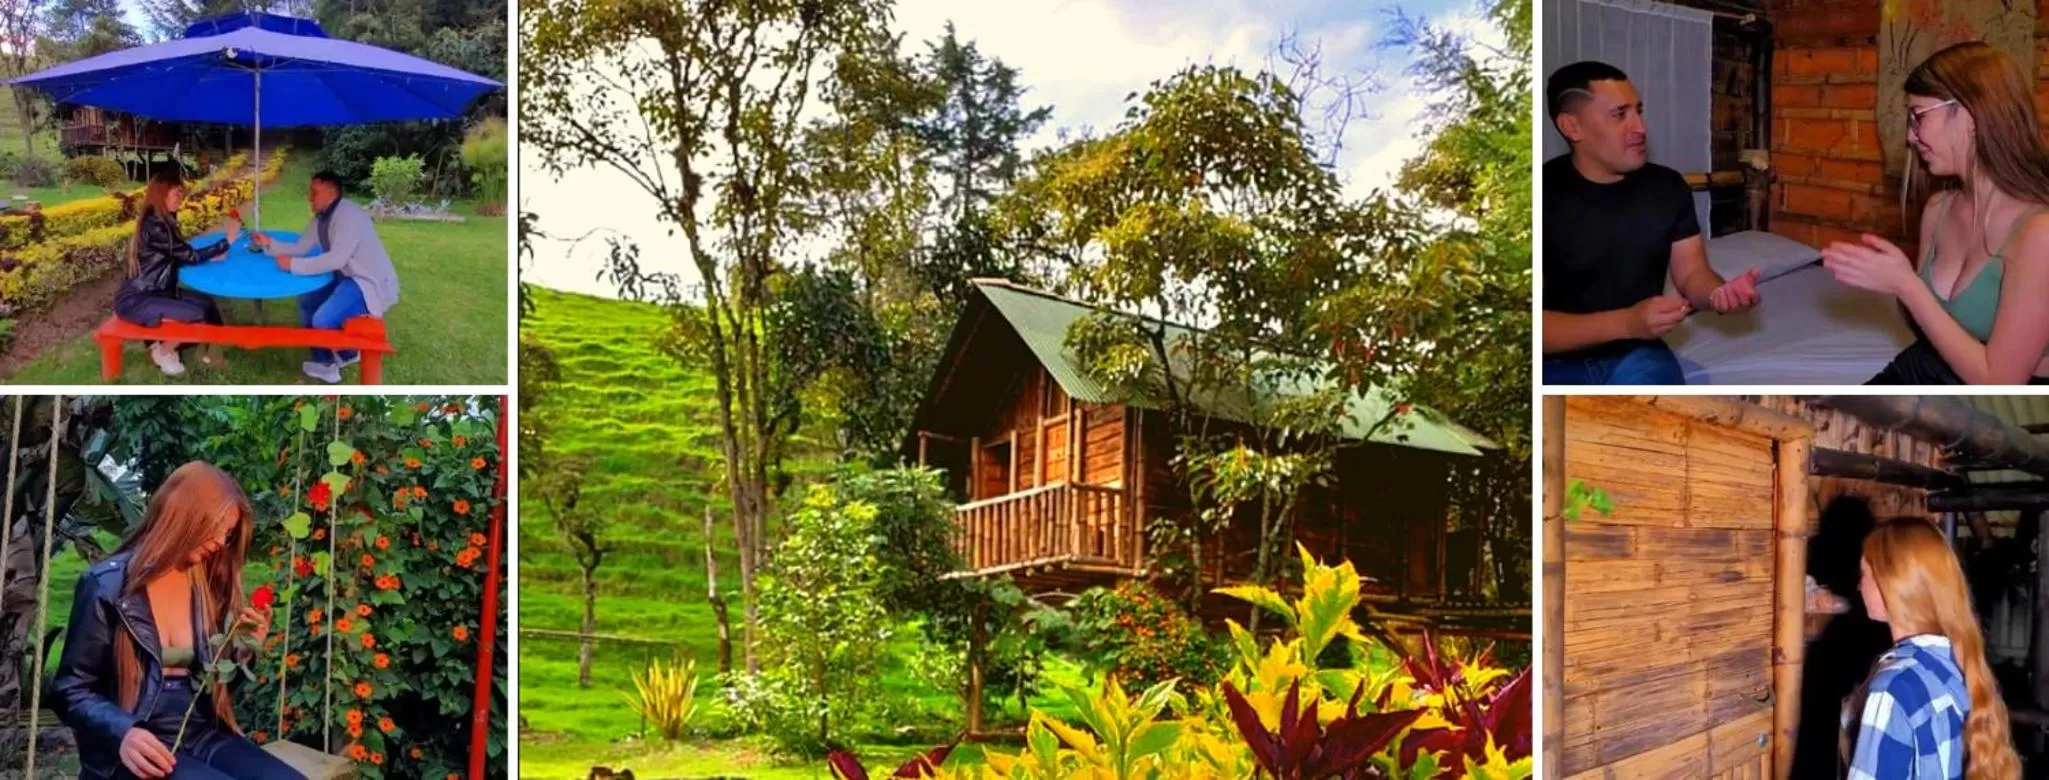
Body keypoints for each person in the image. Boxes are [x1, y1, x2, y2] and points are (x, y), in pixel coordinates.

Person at [51, 462, 304, 780]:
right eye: (213, 529)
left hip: (200, 736)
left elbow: (211, 686)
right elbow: (70, 689)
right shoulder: (108, 586)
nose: (218, 543)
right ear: (182, 519)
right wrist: (123, 733)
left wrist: (241, 650)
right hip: (134, 749)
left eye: (226, 535)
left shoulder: (207, 586)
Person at [1821, 42, 2049, 385]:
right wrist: (1894, 281)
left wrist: (1908, 286)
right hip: (1931, 363)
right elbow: (1927, 323)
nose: (1911, 136)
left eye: (1919, 116)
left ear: (1970, 114)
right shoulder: (1938, 210)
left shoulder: (2038, 233)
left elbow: (2001, 380)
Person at [1542, 60, 1761, 385]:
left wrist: (1719, 294)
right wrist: (1627, 323)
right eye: (1620, 114)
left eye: (1638, 111)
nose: (1640, 127)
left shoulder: (1667, 187)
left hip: (1639, 355)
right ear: (1572, 127)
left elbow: (1691, 274)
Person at [1841, 518, 2020, 779]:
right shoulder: (1955, 662)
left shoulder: (1893, 687)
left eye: (1864, 574)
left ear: (1891, 582)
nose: (1858, 586)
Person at [249, 171, 399, 384]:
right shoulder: (322, 217)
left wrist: (293, 265)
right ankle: (342, 355)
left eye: (314, 192)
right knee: (306, 301)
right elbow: (301, 246)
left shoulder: (350, 216)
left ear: (331, 191)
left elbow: (336, 259)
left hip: (367, 282)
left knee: (323, 319)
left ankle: (330, 364)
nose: (309, 198)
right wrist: (268, 243)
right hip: (347, 276)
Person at [114, 171, 240, 377]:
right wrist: (228, 240)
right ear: (161, 195)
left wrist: (211, 256)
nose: (180, 199)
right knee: (197, 315)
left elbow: (175, 255)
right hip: (139, 299)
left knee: (206, 304)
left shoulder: (165, 218)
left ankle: (213, 351)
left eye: (181, 194)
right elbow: (189, 255)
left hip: (159, 291)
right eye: (176, 194)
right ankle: (162, 351)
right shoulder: (155, 225)